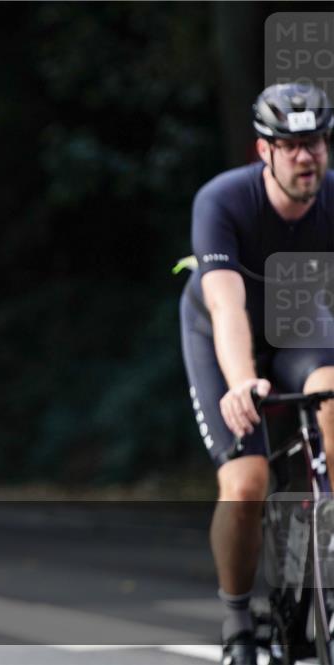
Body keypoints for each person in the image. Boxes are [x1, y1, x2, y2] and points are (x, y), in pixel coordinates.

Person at [179, 82, 334, 665]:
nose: (305, 156)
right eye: (290, 144)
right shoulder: (223, 200)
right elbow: (224, 305)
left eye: (315, 142)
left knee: (331, 396)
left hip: (298, 329)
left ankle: (324, 553)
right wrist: (241, 380)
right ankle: (239, 618)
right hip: (222, 336)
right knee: (245, 484)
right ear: (264, 151)